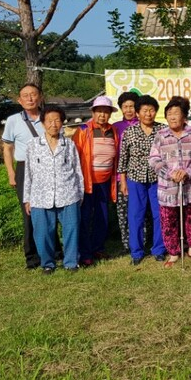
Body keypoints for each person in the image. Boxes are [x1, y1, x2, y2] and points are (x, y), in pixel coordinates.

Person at [22, 106, 82, 274]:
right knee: (42, 233)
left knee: (71, 230)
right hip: (40, 197)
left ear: (62, 123)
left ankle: (71, 263)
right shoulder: (33, 145)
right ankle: (48, 264)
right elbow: (28, 174)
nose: (53, 124)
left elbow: (77, 170)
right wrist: (27, 198)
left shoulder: (68, 144)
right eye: (49, 121)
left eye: (57, 121)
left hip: (68, 194)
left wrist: (80, 193)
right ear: (43, 124)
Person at [149, 96, 191, 268]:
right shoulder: (161, 135)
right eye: (169, 114)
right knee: (168, 220)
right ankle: (173, 252)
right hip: (168, 187)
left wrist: (187, 172)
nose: (172, 117)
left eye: (176, 113)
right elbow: (153, 159)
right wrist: (169, 173)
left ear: (184, 116)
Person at [118, 94, 168, 265]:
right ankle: (137, 252)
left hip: (158, 179)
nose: (148, 114)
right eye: (144, 110)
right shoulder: (129, 132)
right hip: (135, 178)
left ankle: (159, 249)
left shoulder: (163, 130)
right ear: (138, 113)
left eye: (152, 110)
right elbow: (123, 158)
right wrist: (123, 181)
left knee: (159, 214)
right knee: (135, 216)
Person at [2, 82, 46, 269]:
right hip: (25, 169)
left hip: (47, 167)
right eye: (25, 95)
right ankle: (32, 257)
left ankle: (54, 251)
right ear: (20, 101)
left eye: (33, 94)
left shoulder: (49, 117)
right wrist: (11, 173)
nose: (30, 98)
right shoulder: (13, 120)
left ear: (40, 97)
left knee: (50, 210)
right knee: (28, 212)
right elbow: (8, 148)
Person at [73, 96, 119, 266]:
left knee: (102, 217)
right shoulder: (84, 130)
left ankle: (98, 248)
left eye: (106, 112)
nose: (102, 115)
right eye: (99, 111)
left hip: (105, 182)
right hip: (87, 183)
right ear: (93, 112)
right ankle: (84, 253)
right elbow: (75, 156)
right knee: (85, 218)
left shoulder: (112, 130)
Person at [112, 90, 140, 253]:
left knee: (140, 212)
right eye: (125, 107)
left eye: (131, 106)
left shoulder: (142, 125)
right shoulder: (116, 128)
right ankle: (126, 243)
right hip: (120, 176)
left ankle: (142, 241)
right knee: (123, 212)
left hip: (140, 177)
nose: (129, 110)